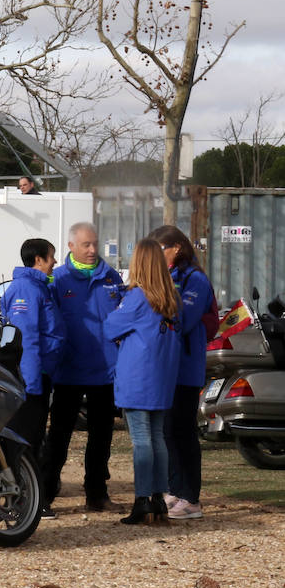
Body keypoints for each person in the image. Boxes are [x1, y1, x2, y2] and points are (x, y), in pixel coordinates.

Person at [42, 221, 124, 512]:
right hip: (69, 371)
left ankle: (97, 495)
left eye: (95, 244)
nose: (92, 250)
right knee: (59, 436)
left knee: (102, 437)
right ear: (71, 247)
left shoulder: (111, 278)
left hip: (105, 372)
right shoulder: (58, 279)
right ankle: (44, 495)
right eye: (86, 245)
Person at [106, 238, 180, 525]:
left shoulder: (137, 297)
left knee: (141, 441)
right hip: (162, 377)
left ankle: (142, 499)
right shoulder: (172, 296)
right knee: (158, 437)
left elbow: (110, 327)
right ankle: (160, 498)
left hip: (138, 377)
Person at [150, 224, 219, 520]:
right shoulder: (171, 277)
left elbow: (183, 319)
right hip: (167, 366)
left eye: (160, 250)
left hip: (186, 367)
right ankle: (175, 489)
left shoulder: (196, 280)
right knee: (168, 431)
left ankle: (191, 498)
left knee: (184, 431)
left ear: (176, 247)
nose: (157, 257)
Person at [0, 237, 66, 518]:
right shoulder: (26, 289)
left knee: (33, 440)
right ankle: (21, 503)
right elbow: (25, 340)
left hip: (41, 377)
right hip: (30, 380)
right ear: (38, 259)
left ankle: (30, 501)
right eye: (51, 257)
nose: (55, 262)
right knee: (24, 442)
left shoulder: (40, 287)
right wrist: (31, 383)